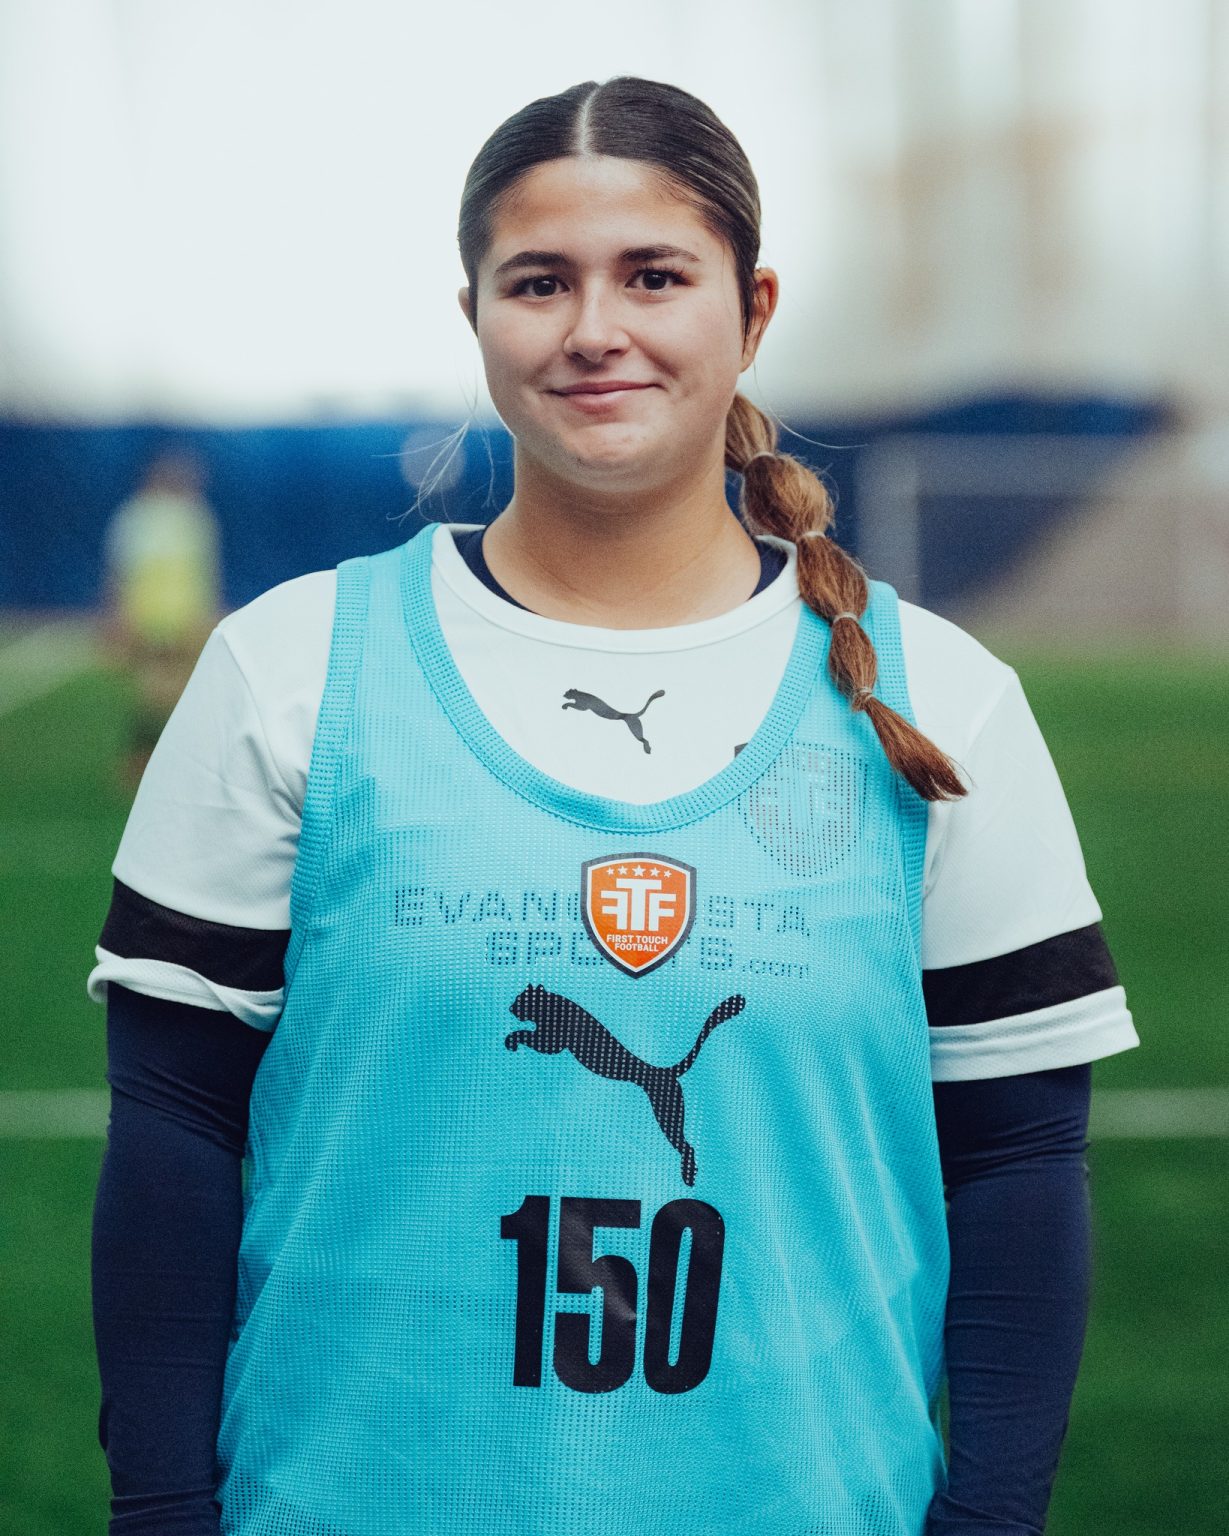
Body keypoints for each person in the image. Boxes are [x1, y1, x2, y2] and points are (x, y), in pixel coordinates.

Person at [89, 77, 1139, 1536]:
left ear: (751, 311)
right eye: (539, 282)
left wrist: (992, 1522)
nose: (594, 328)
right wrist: (158, 1513)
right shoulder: (289, 670)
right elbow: (174, 1127)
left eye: (654, 275)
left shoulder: (941, 703)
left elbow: (1019, 1161)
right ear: (472, 314)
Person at [100, 449, 221, 784]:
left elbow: (204, 571)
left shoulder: (195, 516)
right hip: (150, 616)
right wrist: (119, 616)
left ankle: (159, 758)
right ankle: (143, 759)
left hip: (184, 616)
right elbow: (120, 571)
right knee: (156, 689)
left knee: (176, 689)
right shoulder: (137, 517)